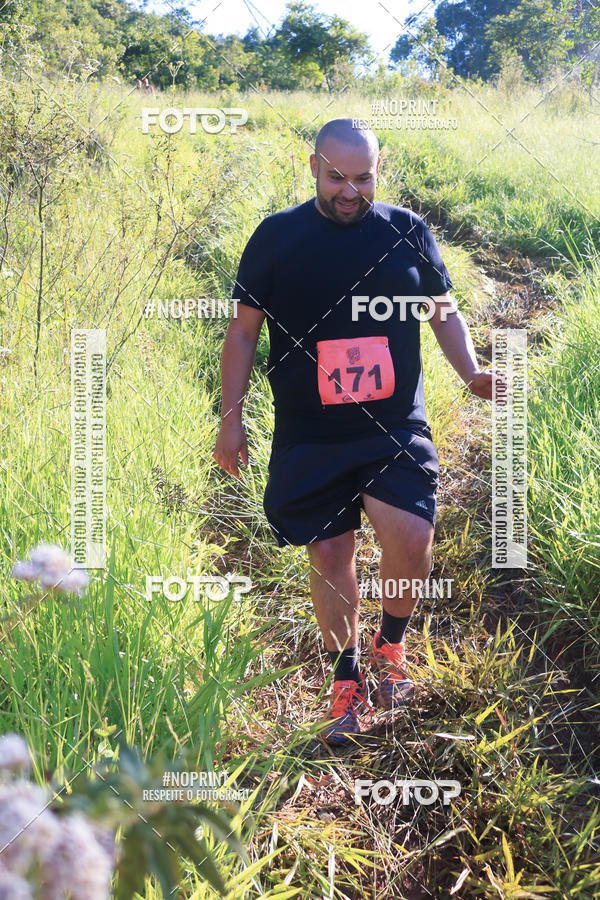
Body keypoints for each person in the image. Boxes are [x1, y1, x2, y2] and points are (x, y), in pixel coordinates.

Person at [213, 117, 494, 745]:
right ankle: (345, 679)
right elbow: (242, 333)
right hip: (310, 429)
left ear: (378, 166)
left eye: (363, 177)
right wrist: (230, 422)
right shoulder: (276, 237)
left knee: (412, 537)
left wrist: (471, 371)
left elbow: (442, 311)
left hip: (392, 421)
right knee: (331, 552)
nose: (351, 190)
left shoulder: (407, 232)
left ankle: (390, 645)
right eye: (337, 176)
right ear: (313, 165)